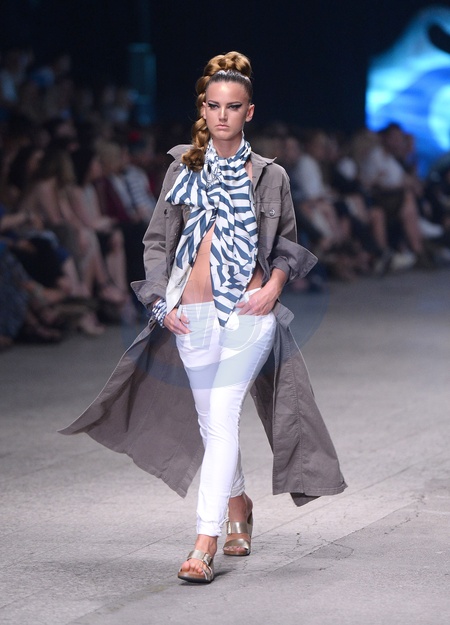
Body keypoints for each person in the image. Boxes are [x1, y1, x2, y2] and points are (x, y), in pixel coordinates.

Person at [59, 51, 346, 584]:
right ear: (203, 109)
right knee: (211, 422)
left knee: (221, 415)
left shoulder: (271, 176)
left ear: (249, 112)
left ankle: (204, 541)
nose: (222, 115)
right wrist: (159, 302)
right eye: (213, 106)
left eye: (232, 107)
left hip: (248, 310)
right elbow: (156, 242)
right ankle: (238, 506)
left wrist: (274, 287)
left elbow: (286, 245)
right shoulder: (182, 168)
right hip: (189, 311)